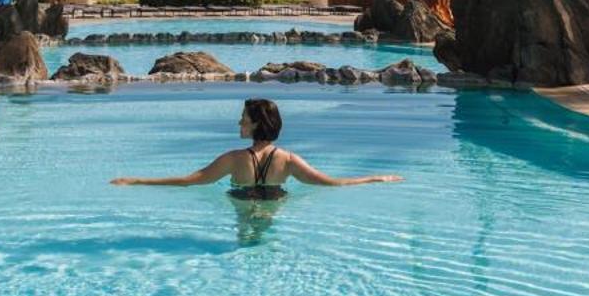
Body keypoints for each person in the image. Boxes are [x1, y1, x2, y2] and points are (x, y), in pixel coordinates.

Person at [110, 97, 402, 198]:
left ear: (255, 125)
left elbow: (190, 181)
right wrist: (375, 177)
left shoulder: (234, 159)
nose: (239, 123)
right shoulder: (288, 160)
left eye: (243, 120)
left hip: (241, 202)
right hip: (275, 201)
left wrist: (137, 180)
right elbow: (332, 183)